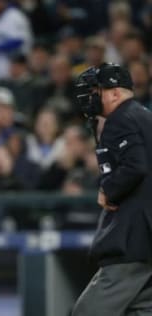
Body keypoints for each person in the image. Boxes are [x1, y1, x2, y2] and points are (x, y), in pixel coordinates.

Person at [71, 62, 152, 315]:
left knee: (87, 312)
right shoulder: (145, 117)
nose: (92, 98)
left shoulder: (120, 119)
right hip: (146, 238)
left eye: (98, 91)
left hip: (133, 238)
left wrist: (109, 189)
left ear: (115, 93)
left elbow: (135, 166)